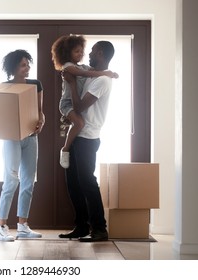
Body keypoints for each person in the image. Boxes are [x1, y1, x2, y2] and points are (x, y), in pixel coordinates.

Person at [0, 49, 45, 241]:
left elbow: (39, 112)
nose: (27, 67)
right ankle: (2, 227)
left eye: (28, 64)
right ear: (13, 67)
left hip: (31, 137)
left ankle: (22, 226)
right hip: (11, 138)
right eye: (23, 64)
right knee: (11, 180)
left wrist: (41, 122)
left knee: (28, 181)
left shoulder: (35, 85)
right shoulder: (4, 87)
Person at [58, 41, 116, 242]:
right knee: (73, 183)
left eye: (91, 51)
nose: (87, 54)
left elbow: (80, 107)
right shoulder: (93, 75)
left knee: (88, 183)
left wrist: (72, 84)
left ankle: (100, 229)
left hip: (88, 138)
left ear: (100, 52)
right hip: (79, 137)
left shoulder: (102, 81)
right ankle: (81, 226)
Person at [51, 35, 118, 169]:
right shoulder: (68, 67)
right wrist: (106, 73)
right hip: (66, 104)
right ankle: (65, 149)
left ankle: (66, 148)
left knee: (79, 123)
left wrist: (108, 74)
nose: (82, 54)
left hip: (88, 135)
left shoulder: (85, 69)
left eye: (82, 51)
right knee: (80, 123)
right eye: (77, 51)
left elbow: (91, 71)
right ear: (67, 53)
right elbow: (87, 74)